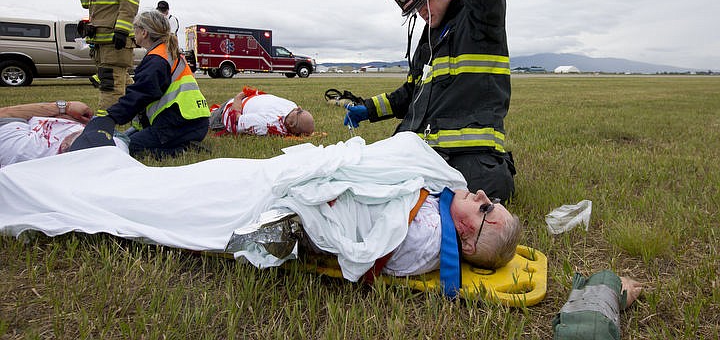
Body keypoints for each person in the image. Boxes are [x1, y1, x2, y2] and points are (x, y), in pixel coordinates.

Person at [0, 131, 520, 285]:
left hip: (273, 198)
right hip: (276, 179)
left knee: (168, 198)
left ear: (468, 243)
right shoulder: (437, 212)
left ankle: (48, 189)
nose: (481, 195)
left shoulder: (426, 239)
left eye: (486, 209)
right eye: (489, 199)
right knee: (192, 177)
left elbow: (360, 230)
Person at [344, 0, 516, 203]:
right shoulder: (429, 41)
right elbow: (409, 95)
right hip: (418, 150)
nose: (422, 13)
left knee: (468, 195)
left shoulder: (480, 16)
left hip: (470, 158)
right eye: (415, 11)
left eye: (425, 2)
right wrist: (366, 109)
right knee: (363, 181)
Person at [84, 10, 210, 158]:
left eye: (135, 28)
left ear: (144, 33)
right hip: (189, 122)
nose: (133, 32)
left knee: (127, 147)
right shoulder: (165, 52)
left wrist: (111, 117)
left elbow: (140, 94)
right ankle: (180, 143)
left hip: (180, 125)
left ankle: (183, 150)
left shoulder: (157, 59)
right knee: (126, 139)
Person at [0, 101, 127, 167]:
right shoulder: (114, 148)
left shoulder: (19, 147)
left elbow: (5, 113)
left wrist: (64, 107)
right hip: (108, 136)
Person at [212, 86, 315, 136]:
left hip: (246, 100)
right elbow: (236, 120)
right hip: (225, 112)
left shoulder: (291, 105)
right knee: (202, 122)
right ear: (291, 124)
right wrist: (239, 97)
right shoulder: (267, 123)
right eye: (299, 134)